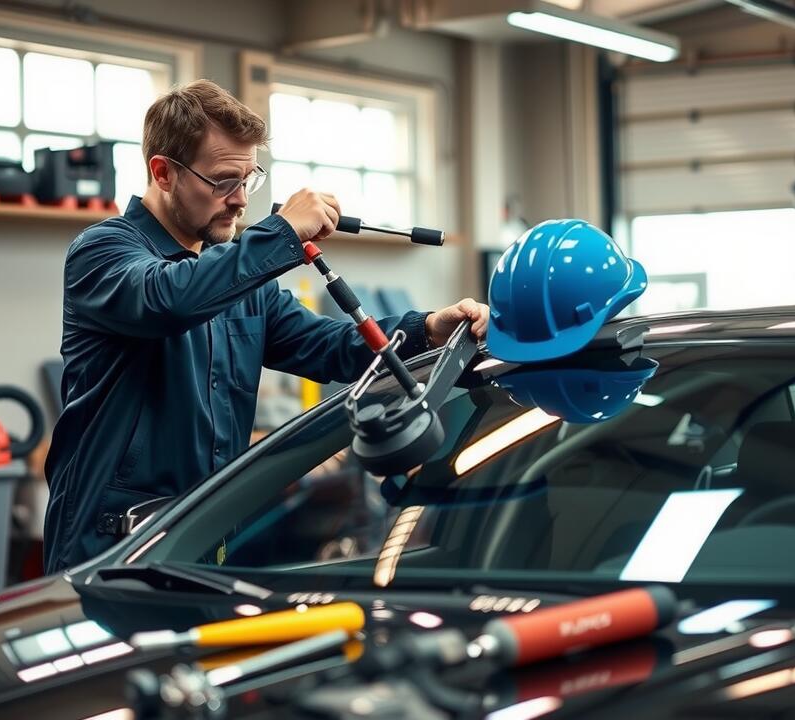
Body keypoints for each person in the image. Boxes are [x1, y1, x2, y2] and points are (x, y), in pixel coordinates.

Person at [43, 79, 488, 573]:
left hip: (202, 545)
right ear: (163, 173)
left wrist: (427, 329)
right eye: (222, 182)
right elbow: (169, 299)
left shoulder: (240, 282)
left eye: (248, 179)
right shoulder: (102, 252)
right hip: (107, 549)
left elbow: (332, 347)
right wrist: (281, 235)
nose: (238, 200)